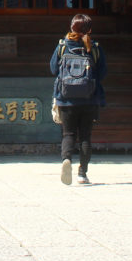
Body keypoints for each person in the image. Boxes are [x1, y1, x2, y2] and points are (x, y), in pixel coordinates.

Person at [50, 14, 106, 185]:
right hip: (89, 99)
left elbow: (53, 69)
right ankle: (82, 173)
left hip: (66, 98)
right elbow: (102, 73)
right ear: (89, 29)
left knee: (68, 134)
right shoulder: (94, 47)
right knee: (85, 136)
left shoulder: (62, 46)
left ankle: (66, 159)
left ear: (71, 27)